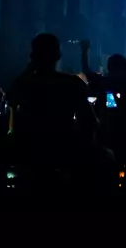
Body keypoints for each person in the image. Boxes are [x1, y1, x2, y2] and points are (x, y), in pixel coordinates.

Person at [8, 33, 96, 167]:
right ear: (59, 55)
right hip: (63, 153)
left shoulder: (25, 85)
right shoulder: (72, 84)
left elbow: (11, 97)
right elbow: (90, 122)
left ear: (33, 56)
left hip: (30, 156)